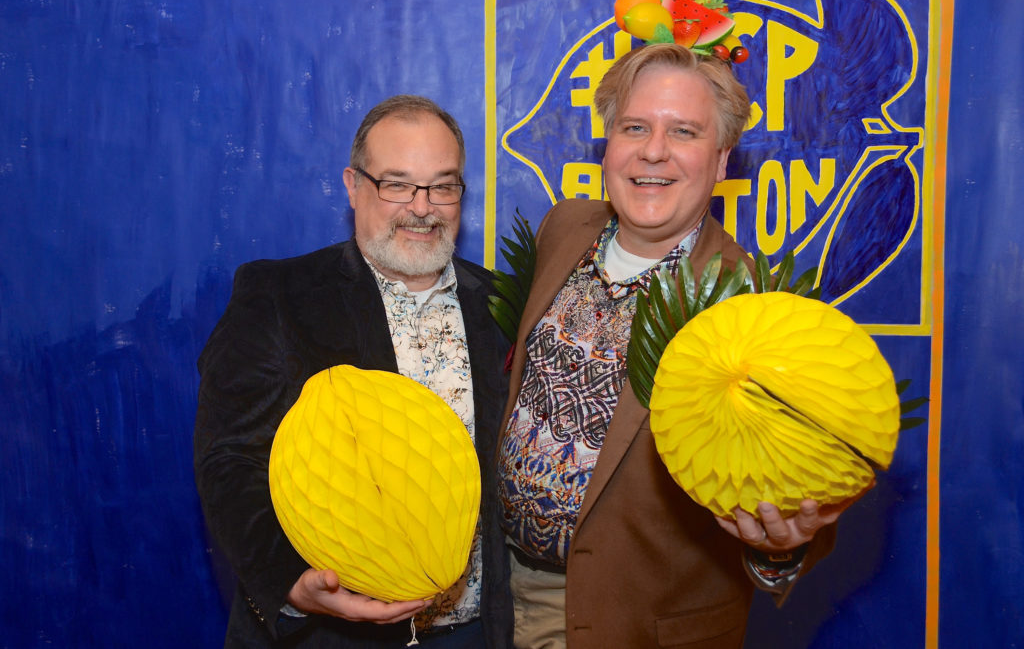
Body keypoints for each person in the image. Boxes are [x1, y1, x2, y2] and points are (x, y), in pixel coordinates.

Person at [497, 44, 856, 648]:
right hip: (503, 597)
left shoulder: (752, 304)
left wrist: (780, 551)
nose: (653, 151)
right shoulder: (566, 227)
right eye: (635, 127)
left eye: (683, 132)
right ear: (608, 145)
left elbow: (800, 508)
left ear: (720, 162)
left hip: (632, 623)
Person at [194, 95, 513, 648]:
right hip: (329, 635)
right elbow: (229, 459)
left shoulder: (503, 305)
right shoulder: (279, 295)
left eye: (443, 185)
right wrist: (290, 583)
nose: (423, 206)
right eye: (397, 184)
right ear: (352, 185)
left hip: (475, 633)